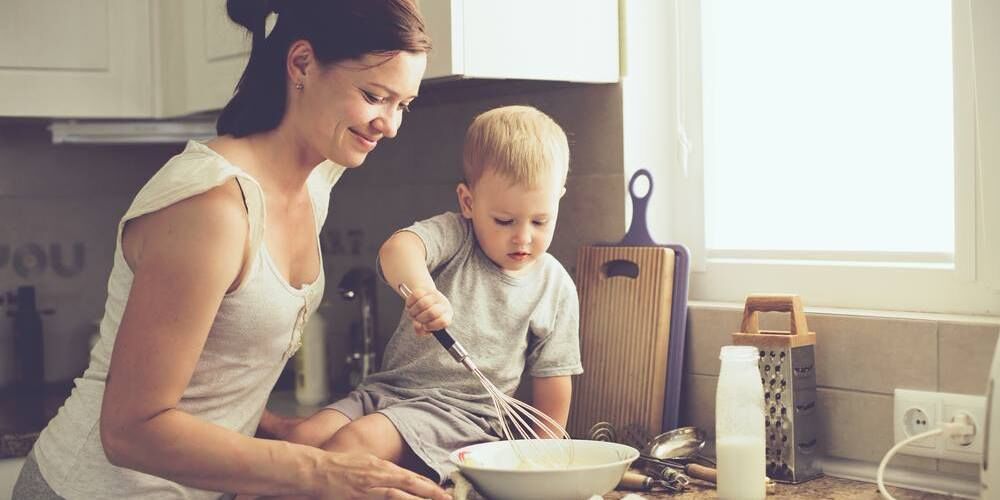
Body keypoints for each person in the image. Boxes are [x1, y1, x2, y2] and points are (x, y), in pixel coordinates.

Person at [14, 1, 450, 499]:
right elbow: (130, 428)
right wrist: (321, 472)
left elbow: (210, 366)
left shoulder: (317, 182)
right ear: (302, 63)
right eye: (375, 96)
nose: (390, 125)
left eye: (403, 104)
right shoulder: (212, 205)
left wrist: (273, 428)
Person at [282, 105, 583, 484]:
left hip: (460, 415)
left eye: (540, 221)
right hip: (387, 391)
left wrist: (542, 464)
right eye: (504, 221)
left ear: (559, 198)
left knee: (355, 442)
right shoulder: (456, 236)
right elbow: (398, 250)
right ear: (468, 202)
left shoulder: (554, 286)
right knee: (300, 440)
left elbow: (554, 380)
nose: (523, 237)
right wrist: (424, 291)